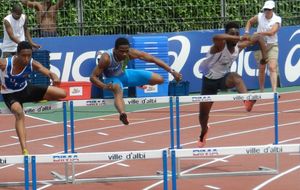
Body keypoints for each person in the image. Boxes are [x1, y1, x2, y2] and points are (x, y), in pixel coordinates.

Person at [198, 22, 267, 148]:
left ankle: (247, 101)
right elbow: (216, 37)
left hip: (223, 79)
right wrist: (239, 37)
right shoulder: (219, 46)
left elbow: (259, 38)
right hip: (209, 81)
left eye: (237, 33)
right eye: (232, 34)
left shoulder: (238, 47)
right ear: (227, 35)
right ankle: (203, 132)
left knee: (236, 77)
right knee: (203, 115)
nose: (235, 36)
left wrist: (265, 59)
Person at [90, 37, 182, 125]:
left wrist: (172, 71)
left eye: (126, 51)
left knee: (159, 79)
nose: (125, 54)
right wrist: (104, 86)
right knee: (118, 90)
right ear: (115, 49)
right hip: (112, 80)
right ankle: (122, 114)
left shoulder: (130, 53)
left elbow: (153, 59)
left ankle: (139, 83)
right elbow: (93, 77)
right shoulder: (106, 58)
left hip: (125, 75)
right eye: (122, 51)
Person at [0, 41, 67, 155]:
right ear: (17, 54)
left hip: (26, 90)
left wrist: (55, 77)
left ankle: (37, 98)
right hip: (10, 94)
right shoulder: (5, 64)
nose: (26, 59)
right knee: (19, 113)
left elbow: (48, 73)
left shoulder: (32, 63)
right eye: (23, 56)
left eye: (29, 55)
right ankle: (24, 149)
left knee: (62, 93)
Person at [244, 0, 281, 92]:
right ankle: (262, 90)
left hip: (272, 45)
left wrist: (259, 33)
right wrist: (246, 32)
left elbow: (272, 32)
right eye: (265, 9)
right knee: (262, 68)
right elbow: (250, 22)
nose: (267, 11)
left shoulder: (277, 19)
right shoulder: (260, 16)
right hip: (260, 46)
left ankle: (274, 91)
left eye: (269, 9)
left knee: (272, 67)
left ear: (273, 9)